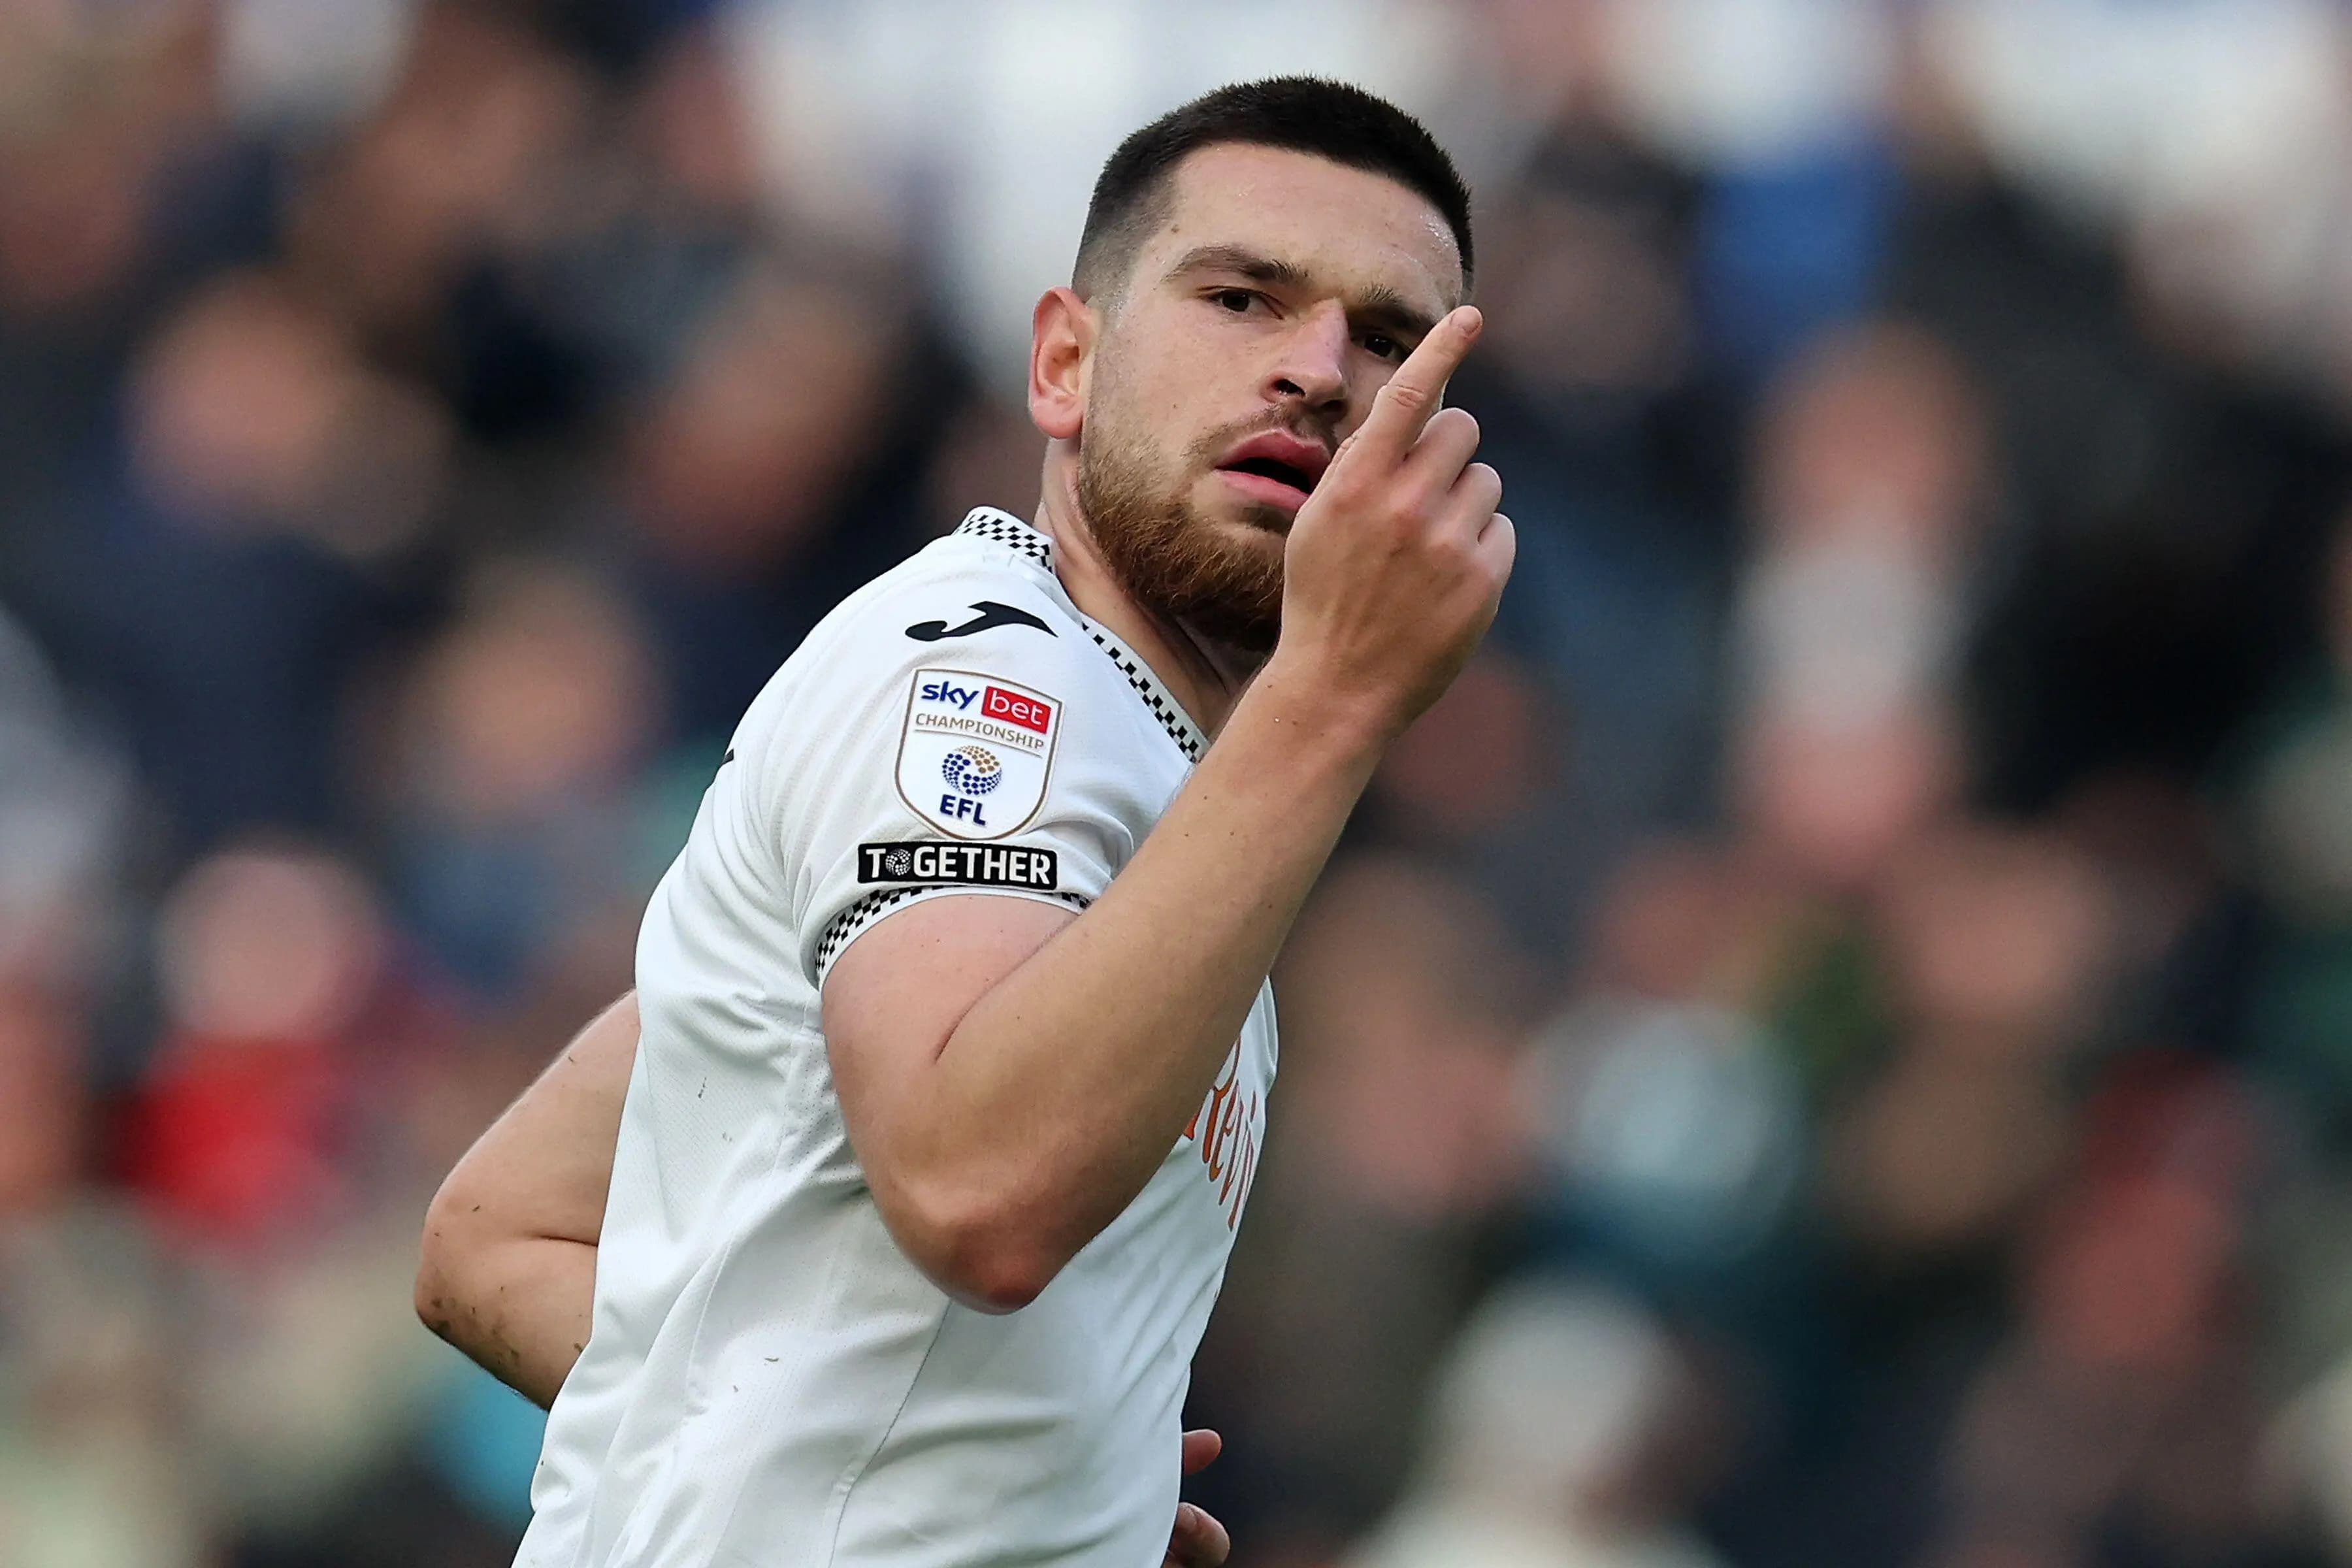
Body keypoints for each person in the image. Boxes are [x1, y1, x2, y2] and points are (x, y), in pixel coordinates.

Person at [415, 76, 1511, 1567]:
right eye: (1243, 297)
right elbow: (976, 1190)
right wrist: (1328, 703)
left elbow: (499, 1237)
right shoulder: (990, 676)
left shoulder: (1145, 760)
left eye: (1388, 340)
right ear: (1065, 361)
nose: (1319, 370)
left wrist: (1041, 1497)